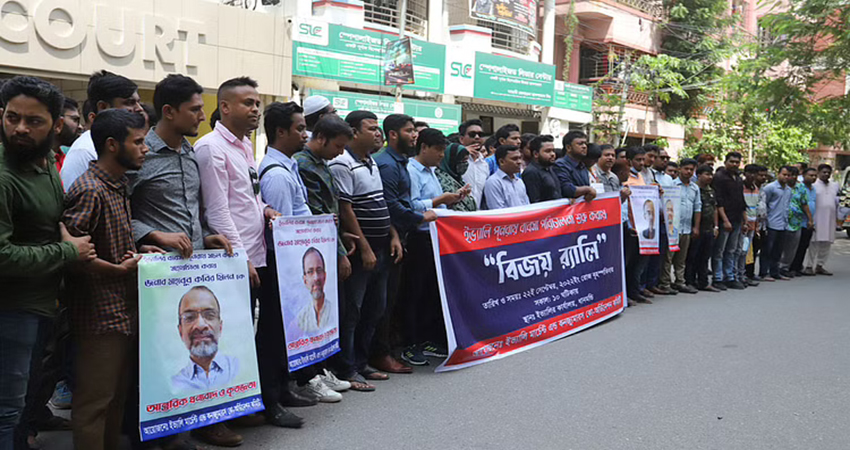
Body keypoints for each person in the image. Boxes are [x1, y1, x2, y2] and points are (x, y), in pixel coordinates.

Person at [129, 74, 242, 448]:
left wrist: (205, 235)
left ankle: (192, 424)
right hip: (156, 278)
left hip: (193, 271)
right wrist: (152, 234)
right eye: (194, 110)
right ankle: (154, 434)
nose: (201, 116)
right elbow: (116, 211)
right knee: (158, 356)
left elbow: (193, 209)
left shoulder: (189, 152)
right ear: (168, 111)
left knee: (190, 354)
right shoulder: (140, 154)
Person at [195, 78, 304, 429]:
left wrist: (266, 209)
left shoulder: (244, 146)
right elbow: (217, 210)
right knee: (233, 337)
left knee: (269, 331)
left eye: (257, 103)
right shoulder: (211, 148)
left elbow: (248, 198)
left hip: (260, 254)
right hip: (236, 260)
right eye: (247, 103)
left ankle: (267, 397)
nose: (255, 109)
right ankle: (231, 411)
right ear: (224, 107)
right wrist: (240, 257)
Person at [0, 76, 96, 450]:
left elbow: (50, 227)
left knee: (23, 406)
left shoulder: (42, 167)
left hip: (42, 307)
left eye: (33, 121)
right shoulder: (5, 175)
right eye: (12, 118)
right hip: (11, 311)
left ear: (56, 125)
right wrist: (68, 253)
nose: (20, 128)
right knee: (7, 410)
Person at [62, 109, 148, 450]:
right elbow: (71, 255)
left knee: (115, 401)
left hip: (123, 311)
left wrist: (143, 249)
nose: (145, 149)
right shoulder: (90, 189)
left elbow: (110, 246)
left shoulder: (117, 186)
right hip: (98, 316)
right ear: (113, 145)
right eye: (138, 142)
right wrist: (117, 270)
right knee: (93, 406)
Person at [330, 110, 403, 391]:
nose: (378, 133)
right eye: (371, 128)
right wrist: (364, 247)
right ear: (353, 132)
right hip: (363, 252)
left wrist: (393, 235)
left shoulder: (369, 161)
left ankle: (362, 361)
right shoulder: (342, 163)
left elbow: (380, 204)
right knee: (353, 311)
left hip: (382, 246)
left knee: (376, 309)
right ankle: (348, 367)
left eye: (378, 129)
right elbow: (346, 209)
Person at [294, 115, 356, 402]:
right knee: (309, 316)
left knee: (328, 315)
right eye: (338, 145)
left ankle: (321, 368)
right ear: (320, 138)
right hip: (312, 253)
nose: (340, 153)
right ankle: (308, 376)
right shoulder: (304, 165)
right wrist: (341, 255)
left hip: (329, 247)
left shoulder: (322, 164)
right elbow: (319, 217)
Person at [372, 114, 433, 374]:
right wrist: (419, 217)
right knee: (380, 304)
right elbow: (389, 205)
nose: (415, 135)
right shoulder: (386, 164)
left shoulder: (400, 162)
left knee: (391, 300)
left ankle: (384, 349)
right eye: (409, 131)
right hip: (384, 242)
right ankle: (378, 354)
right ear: (393, 134)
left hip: (397, 237)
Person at [400, 127, 461, 366]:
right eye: (437, 150)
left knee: (431, 292)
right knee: (414, 293)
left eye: (444, 150)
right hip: (419, 238)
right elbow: (413, 206)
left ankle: (427, 339)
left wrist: (451, 200)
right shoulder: (411, 171)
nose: (441, 155)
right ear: (423, 147)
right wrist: (439, 201)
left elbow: (437, 207)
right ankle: (409, 343)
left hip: (437, 238)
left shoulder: (432, 171)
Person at [60, 71, 143, 189]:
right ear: (103, 107)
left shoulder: (126, 144)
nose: (139, 109)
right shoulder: (84, 151)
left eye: (138, 102)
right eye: (129, 103)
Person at [172, 286, 237, 391]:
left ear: (220, 327)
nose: (200, 325)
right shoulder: (174, 384)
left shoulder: (240, 370)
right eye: (189, 317)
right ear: (180, 331)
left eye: (209, 315)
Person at [662, 158, 700, 294]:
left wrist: (696, 227)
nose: (688, 172)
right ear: (680, 169)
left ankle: (680, 282)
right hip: (673, 228)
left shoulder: (695, 188)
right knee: (668, 257)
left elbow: (697, 208)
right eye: (686, 169)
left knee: (681, 258)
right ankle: (665, 283)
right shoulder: (672, 185)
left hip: (687, 228)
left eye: (691, 169)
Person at [711, 151, 746, 290]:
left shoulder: (738, 178)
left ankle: (729, 277)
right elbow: (718, 201)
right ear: (725, 162)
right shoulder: (719, 177)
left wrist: (745, 220)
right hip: (724, 219)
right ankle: (717, 278)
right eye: (732, 161)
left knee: (731, 250)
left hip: (737, 218)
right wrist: (725, 220)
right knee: (719, 250)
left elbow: (741, 200)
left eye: (737, 162)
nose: (734, 164)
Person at [644, 147, 675, 296]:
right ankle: (642, 286)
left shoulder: (668, 178)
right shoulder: (646, 173)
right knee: (645, 256)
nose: (664, 161)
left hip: (663, 219)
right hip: (647, 219)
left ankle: (653, 283)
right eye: (660, 157)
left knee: (659, 253)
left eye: (666, 158)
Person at [685, 165, 720, 292]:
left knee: (705, 257)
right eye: (706, 174)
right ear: (698, 175)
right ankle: (690, 281)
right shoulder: (694, 189)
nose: (709, 177)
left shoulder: (711, 191)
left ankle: (703, 282)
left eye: (711, 174)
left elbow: (714, 208)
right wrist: (696, 227)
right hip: (696, 227)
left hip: (709, 228)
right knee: (693, 256)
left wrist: (716, 226)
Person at [759, 166, 794, 281]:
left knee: (778, 250)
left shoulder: (788, 190)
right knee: (767, 249)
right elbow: (764, 205)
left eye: (788, 175)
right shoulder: (770, 188)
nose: (786, 177)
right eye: (784, 174)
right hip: (771, 223)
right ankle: (764, 273)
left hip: (783, 224)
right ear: (778, 174)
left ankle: (775, 272)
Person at [804, 164, 840, 275]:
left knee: (826, 243)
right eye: (824, 172)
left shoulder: (835, 185)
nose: (826, 174)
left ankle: (820, 265)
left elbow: (839, 202)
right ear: (819, 173)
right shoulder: (813, 186)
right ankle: (809, 266)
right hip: (816, 218)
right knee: (814, 242)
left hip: (830, 218)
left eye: (828, 172)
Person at [779, 167, 813, 277]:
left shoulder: (801, 187)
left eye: (794, 175)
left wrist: (810, 219)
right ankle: (774, 267)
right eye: (789, 174)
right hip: (780, 221)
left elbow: (804, 204)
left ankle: (785, 268)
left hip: (796, 222)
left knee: (792, 247)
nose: (791, 177)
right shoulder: (780, 187)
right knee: (779, 246)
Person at [294, 248, 335, 333]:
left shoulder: (334, 310)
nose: (316, 278)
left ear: (325, 276)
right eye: (310, 272)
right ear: (305, 280)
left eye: (319, 270)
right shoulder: (301, 318)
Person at [553, 130, 597, 202]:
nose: (584, 146)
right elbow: (567, 189)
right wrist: (587, 189)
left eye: (585, 143)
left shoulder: (582, 166)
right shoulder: (560, 165)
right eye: (580, 144)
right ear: (568, 148)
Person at [739, 164, 764, 286]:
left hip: (753, 223)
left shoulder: (756, 188)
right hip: (744, 223)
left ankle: (746, 274)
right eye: (750, 173)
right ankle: (739, 275)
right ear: (745, 173)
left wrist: (757, 224)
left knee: (748, 251)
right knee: (740, 250)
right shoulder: (740, 187)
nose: (752, 176)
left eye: (755, 173)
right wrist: (744, 222)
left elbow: (757, 207)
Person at [789, 168, 818, 275]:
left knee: (803, 246)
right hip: (798, 221)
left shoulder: (813, 189)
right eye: (810, 175)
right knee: (795, 246)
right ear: (804, 175)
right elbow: (803, 205)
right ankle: (791, 267)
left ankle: (797, 267)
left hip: (808, 222)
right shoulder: (799, 188)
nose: (813, 177)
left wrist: (811, 220)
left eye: (815, 175)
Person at [484, 145, 529, 209]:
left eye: (520, 158)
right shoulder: (493, 182)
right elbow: (497, 210)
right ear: (502, 162)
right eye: (514, 159)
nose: (519, 162)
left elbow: (527, 206)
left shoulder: (519, 181)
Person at [437, 143, 477, 211]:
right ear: (452, 160)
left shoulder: (459, 179)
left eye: (466, 161)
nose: (465, 164)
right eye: (462, 161)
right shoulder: (440, 179)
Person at [458, 119, 489, 208]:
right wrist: (462, 152)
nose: (477, 137)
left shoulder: (484, 164)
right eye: (472, 134)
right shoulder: (455, 160)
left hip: (476, 216)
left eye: (480, 135)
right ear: (461, 139)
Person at [522, 135, 561, 203]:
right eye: (548, 151)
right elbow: (534, 201)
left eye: (553, 151)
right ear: (536, 154)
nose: (552, 154)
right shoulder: (531, 172)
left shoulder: (550, 168)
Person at [53, 98, 83, 172]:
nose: (80, 127)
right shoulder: (40, 163)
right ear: (58, 123)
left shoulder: (65, 158)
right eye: (75, 120)